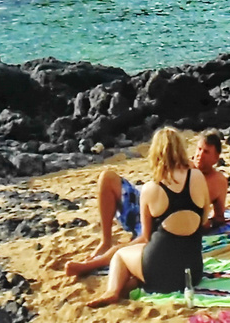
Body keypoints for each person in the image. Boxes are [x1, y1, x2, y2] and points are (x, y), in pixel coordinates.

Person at [64, 129, 230, 277]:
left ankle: (89, 265)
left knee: (131, 246)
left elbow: (218, 217)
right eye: (199, 149)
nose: (200, 154)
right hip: (150, 204)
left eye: (206, 152)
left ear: (216, 158)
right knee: (107, 178)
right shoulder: (184, 166)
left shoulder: (217, 181)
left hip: (161, 222)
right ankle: (105, 241)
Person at [82, 127, 211, 306]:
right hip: (192, 272)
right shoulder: (197, 177)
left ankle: (112, 292)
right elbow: (204, 219)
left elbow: (147, 236)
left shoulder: (151, 188)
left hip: (159, 271)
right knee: (149, 262)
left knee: (121, 255)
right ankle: (131, 283)